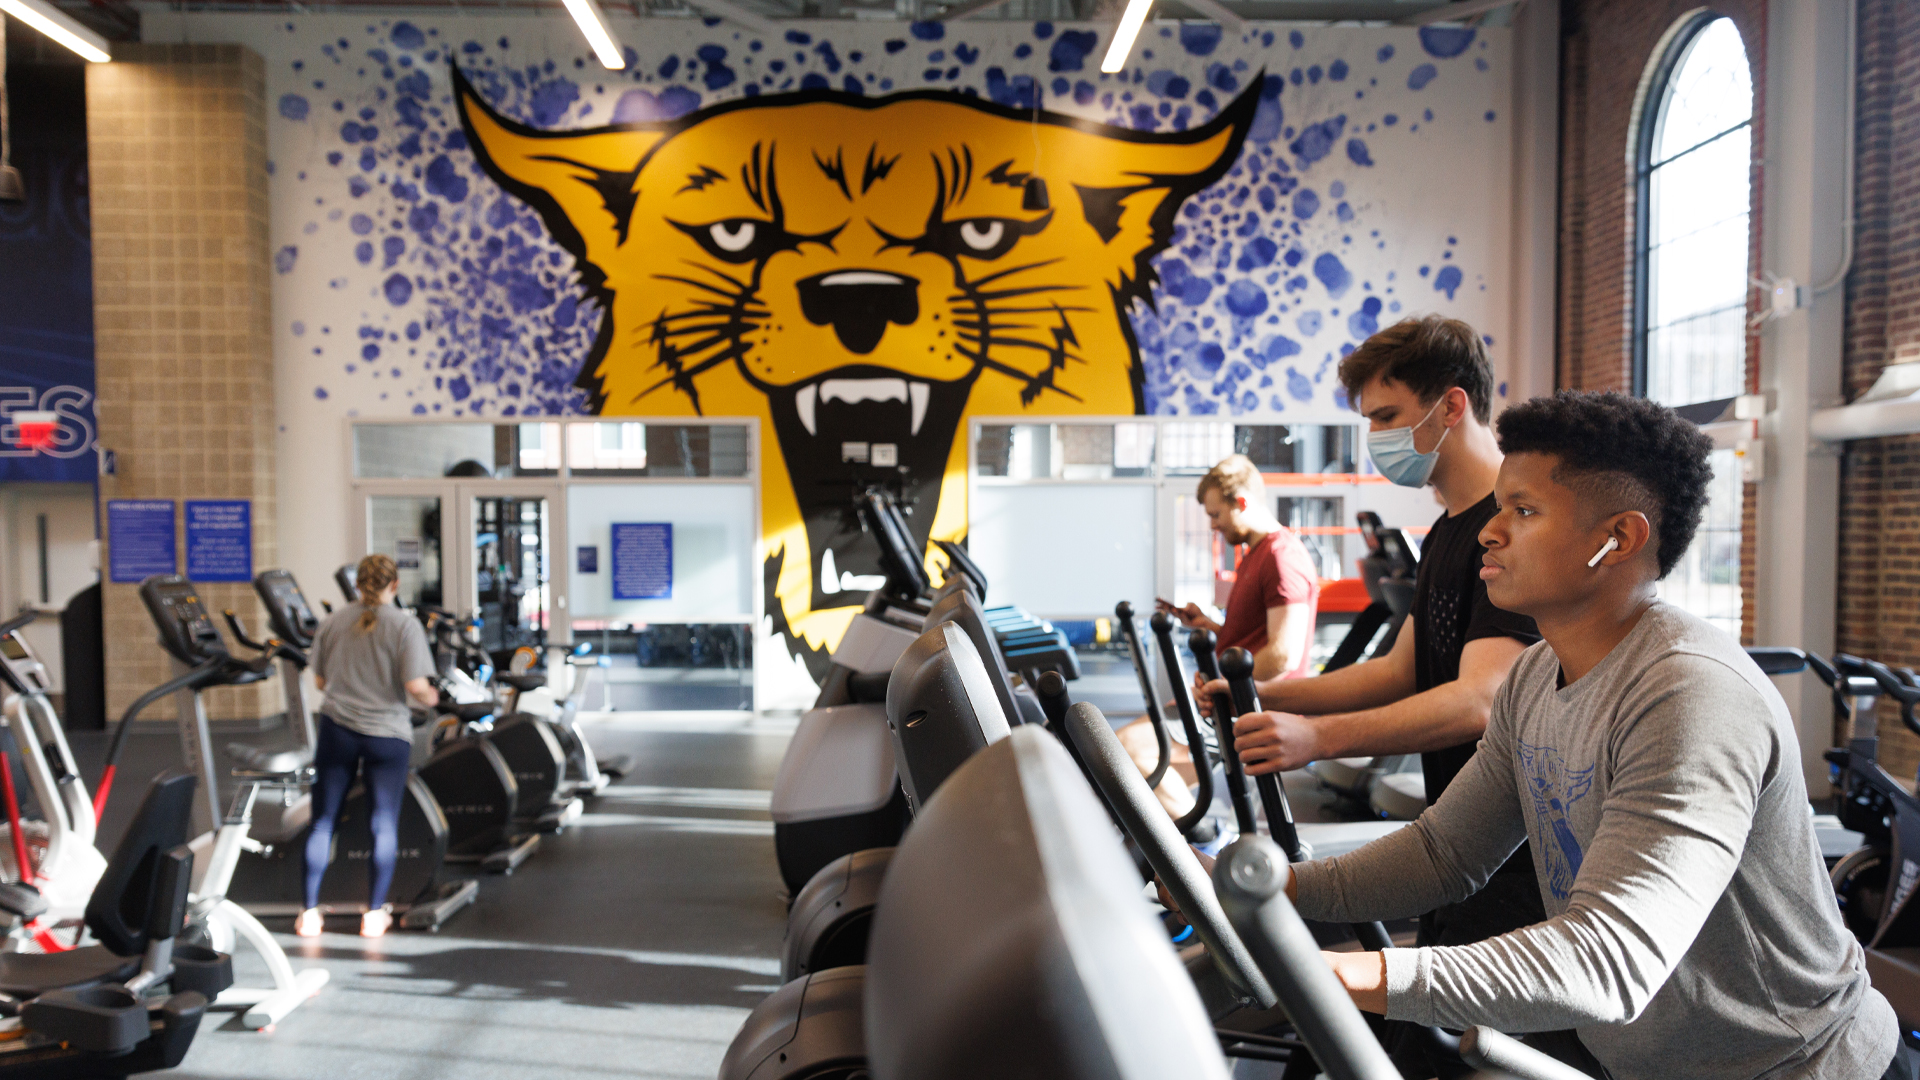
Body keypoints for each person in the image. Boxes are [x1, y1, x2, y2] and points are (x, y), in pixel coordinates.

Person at [1284, 391, 1901, 1080]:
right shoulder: (1535, 675)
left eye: (1524, 510)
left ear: (1621, 538)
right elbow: (1445, 852)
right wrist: (1280, 890)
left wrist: (1348, 975)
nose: (1490, 531)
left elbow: (1607, 961)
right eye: (1500, 507)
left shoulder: (1688, 696)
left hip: (1801, 1067)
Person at [1116, 455, 1319, 817]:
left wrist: (1221, 685)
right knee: (1114, 749)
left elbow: (1283, 655)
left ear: (1241, 503)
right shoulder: (1256, 554)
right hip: (1225, 701)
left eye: (1216, 515)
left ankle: (1199, 856)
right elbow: (1255, 638)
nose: (1212, 525)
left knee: (1131, 753)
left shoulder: (1281, 556)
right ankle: (1191, 842)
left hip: (1250, 708)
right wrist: (1209, 626)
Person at [298, 554, 438, 938]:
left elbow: (322, 683)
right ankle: (374, 915)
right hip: (387, 735)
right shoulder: (405, 626)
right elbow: (416, 688)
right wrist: (435, 698)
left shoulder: (332, 622)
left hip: (337, 729)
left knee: (323, 821)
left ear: (357, 585)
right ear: (394, 586)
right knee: (383, 823)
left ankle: (309, 914)